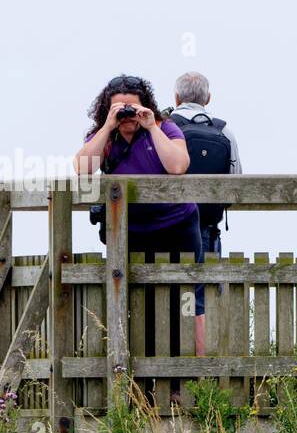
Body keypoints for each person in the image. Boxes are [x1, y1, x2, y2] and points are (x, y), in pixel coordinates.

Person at [74, 75, 206, 388]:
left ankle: (194, 381)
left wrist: (151, 127)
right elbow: (81, 169)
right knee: (141, 304)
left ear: (145, 105)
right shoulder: (104, 136)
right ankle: (144, 385)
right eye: (119, 108)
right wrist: (108, 127)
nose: (126, 115)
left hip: (177, 226)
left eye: (132, 107)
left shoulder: (164, 128)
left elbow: (178, 166)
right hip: (131, 233)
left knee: (186, 302)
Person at [169, 71, 242, 256]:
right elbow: (237, 179)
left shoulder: (164, 128)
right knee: (205, 281)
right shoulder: (224, 131)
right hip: (207, 224)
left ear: (176, 98)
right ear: (208, 98)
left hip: (167, 224)